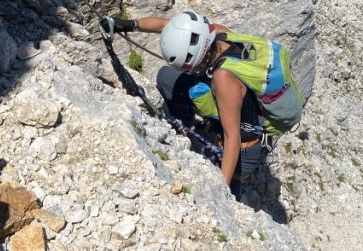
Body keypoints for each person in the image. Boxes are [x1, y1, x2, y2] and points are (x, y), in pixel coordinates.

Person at [101, 11, 304, 199]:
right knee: (167, 77)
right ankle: (189, 127)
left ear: (201, 58)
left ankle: (234, 188)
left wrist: (222, 194)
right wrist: (128, 25)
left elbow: (232, 136)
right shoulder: (217, 33)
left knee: (232, 180)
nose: (192, 70)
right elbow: (167, 25)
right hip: (239, 106)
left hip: (247, 142)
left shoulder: (224, 78)